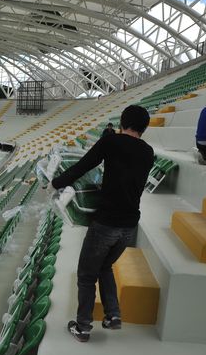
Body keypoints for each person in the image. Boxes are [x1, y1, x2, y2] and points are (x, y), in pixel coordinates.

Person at [51, 105, 154, 342]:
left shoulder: (111, 142)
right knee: (105, 267)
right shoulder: (148, 152)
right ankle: (113, 316)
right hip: (129, 228)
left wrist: (57, 183)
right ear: (144, 128)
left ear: (122, 123)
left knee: (87, 275)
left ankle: (83, 326)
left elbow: (83, 165)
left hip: (106, 223)